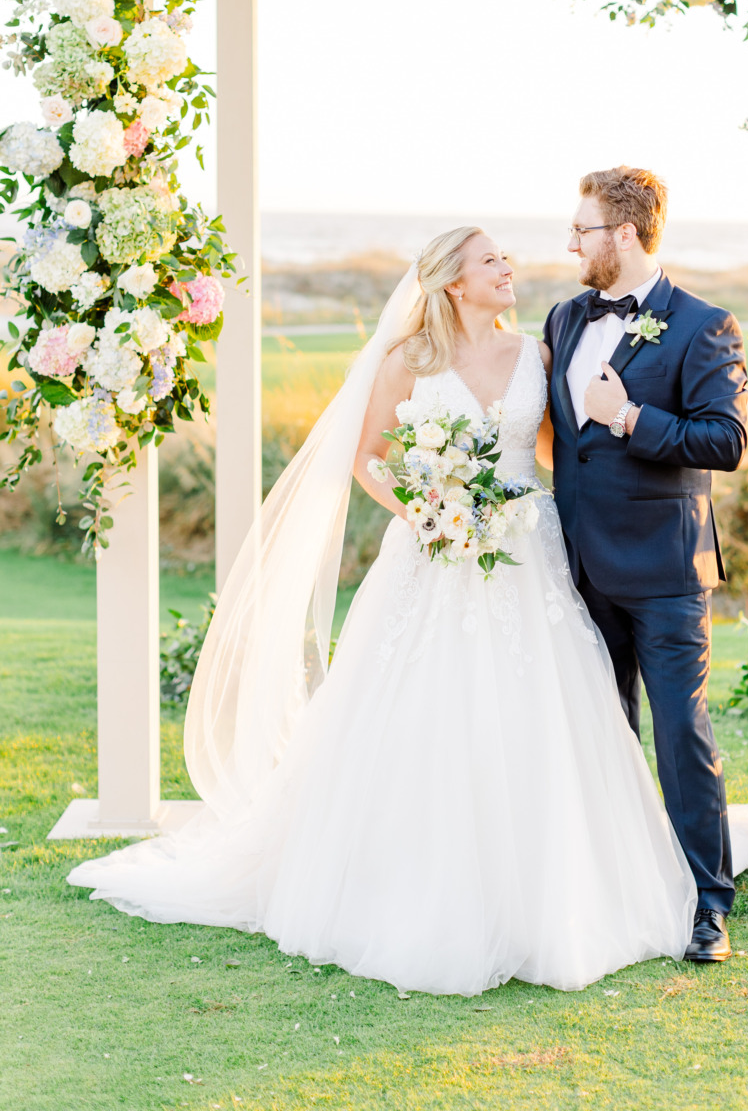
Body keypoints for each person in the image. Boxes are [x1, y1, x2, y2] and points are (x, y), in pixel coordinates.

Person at [68, 227, 707, 996]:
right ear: (452, 283)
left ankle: (558, 889)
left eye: (507, 259)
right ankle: (412, 888)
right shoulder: (410, 359)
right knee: (422, 715)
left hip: (522, 555)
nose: (509, 269)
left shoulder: (533, 354)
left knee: (539, 715)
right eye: (491, 262)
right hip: (433, 555)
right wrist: (426, 509)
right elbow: (368, 456)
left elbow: (555, 446)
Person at [543, 167, 748, 963]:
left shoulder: (703, 325)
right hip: (577, 568)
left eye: (583, 229)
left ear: (623, 235)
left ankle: (707, 904)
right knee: (601, 730)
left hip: (667, 571)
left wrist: (629, 416)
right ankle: (616, 886)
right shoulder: (563, 319)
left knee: (680, 736)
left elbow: (722, 441)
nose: (571, 243)